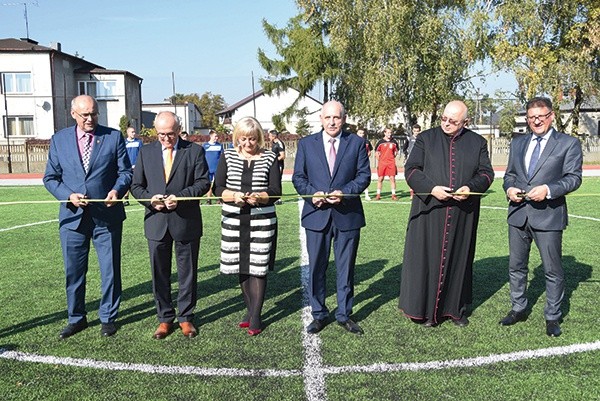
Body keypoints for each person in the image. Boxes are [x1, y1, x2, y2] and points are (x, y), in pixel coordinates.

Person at [43, 95, 132, 339]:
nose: (90, 119)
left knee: (110, 270)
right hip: (72, 219)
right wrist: (68, 195)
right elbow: (50, 178)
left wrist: (117, 190)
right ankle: (76, 318)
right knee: (74, 272)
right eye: (85, 115)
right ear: (73, 114)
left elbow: (125, 172)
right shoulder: (59, 140)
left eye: (94, 114)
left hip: (107, 216)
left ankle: (108, 318)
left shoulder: (113, 137)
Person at [398, 100, 494, 328]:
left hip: (462, 213)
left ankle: (455, 309)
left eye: (453, 121)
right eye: (444, 118)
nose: (446, 124)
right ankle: (423, 310)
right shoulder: (425, 139)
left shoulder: (477, 142)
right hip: (429, 211)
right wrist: (431, 189)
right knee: (426, 260)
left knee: (459, 259)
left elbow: (486, 173)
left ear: (465, 122)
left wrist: (470, 188)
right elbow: (411, 170)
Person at [500, 97, 583, 337]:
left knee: (552, 270)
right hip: (518, 215)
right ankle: (518, 308)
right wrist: (509, 189)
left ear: (551, 116)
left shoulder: (568, 144)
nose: (536, 121)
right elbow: (510, 175)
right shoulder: (518, 143)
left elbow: (573, 178)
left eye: (541, 116)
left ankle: (552, 316)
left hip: (548, 217)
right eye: (531, 117)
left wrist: (547, 190)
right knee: (516, 267)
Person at [292, 100, 371, 335]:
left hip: (347, 216)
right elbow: (298, 177)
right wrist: (311, 195)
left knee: (346, 268)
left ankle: (344, 314)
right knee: (316, 267)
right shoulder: (306, 144)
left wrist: (344, 193)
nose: (332, 122)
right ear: (321, 119)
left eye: (336, 117)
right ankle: (318, 314)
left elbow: (363, 175)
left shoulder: (356, 143)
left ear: (344, 119)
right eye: (328, 117)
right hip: (316, 215)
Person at [130, 111, 210, 339]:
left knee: (187, 273)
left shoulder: (194, 151)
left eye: (171, 134)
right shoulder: (145, 152)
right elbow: (136, 186)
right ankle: (164, 318)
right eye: (161, 134)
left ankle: (186, 317)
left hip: (185, 221)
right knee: (160, 274)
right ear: (156, 132)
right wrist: (149, 200)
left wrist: (181, 197)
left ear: (179, 130)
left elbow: (203, 182)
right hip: (156, 223)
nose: (166, 138)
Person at [213, 117, 281, 336]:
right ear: (237, 138)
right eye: (244, 139)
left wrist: (260, 197)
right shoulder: (227, 155)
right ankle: (250, 310)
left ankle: (256, 316)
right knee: (241, 266)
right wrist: (234, 196)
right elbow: (218, 188)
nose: (248, 144)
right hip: (233, 220)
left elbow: (275, 190)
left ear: (259, 137)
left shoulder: (269, 157)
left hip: (262, 220)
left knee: (258, 267)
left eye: (252, 139)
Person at [374, 127, 400, 200]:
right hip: (382, 163)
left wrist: (391, 158)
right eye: (388, 132)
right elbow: (376, 152)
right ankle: (378, 195)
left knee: (392, 178)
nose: (389, 134)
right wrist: (381, 160)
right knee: (380, 178)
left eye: (390, 132)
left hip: (391, 163)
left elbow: (396, 152)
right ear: (384, 133)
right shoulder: (380, 142)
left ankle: (393, 195)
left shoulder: (394, 142)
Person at [202, 129, 224, 204]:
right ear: (211, 136)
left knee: (218, 185)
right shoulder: (205, 146)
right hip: (208, 168)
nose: (216, 138)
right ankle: (209, 200)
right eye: (215, 136)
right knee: (208, 184)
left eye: (217, 136)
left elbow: (222, 156)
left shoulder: (219, 146)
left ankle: (219, 199)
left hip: (217, 169)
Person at [124, 127, 143, 205]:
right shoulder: (124, 142)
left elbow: (142, 153)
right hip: (127, 167)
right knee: (126, 183)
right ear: (128, 133)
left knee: (138, 182)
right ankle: (126, 199)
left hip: (136, 167)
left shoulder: (138, 142)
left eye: (134, 132)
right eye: (132, 132)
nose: (134, 133)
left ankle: (141, 198)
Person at [357, 128, 373, 200]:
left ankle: (367, 195)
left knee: (364, 178)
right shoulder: (354, 141)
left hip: (363, 163)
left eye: (362, 133)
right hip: (354, 163)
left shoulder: (366, 142)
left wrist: (364, 158)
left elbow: (369, 151)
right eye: (360, 133)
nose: (361, 134)